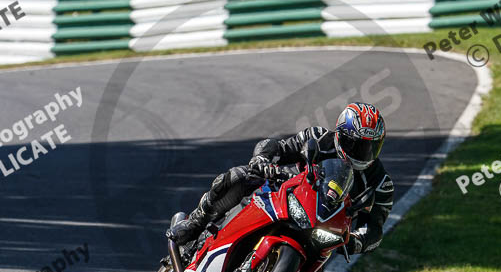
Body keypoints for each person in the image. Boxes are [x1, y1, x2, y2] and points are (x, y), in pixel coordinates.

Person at [168, 102, 394, 257]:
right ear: (341, 135)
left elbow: (374, 228)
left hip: (320, 227)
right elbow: (278, 147)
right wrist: (262, 160)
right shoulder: (318, 137)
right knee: (237, 177)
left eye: (373, 146)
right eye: (360, 145)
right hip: (285, 192)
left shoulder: (381, 182)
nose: (365, 152)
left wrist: (355, 240)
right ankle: (195, 223)